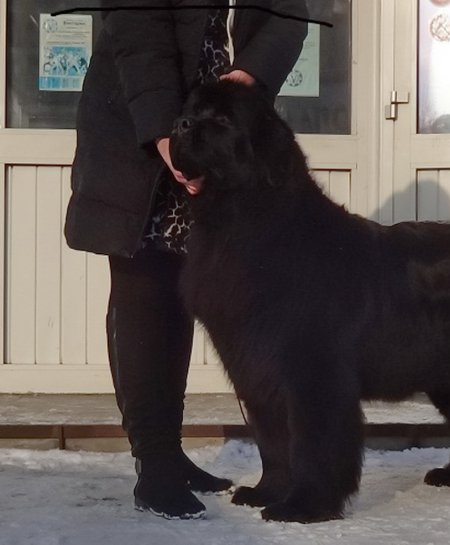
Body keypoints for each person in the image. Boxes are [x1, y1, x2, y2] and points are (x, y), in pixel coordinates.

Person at [64, 0, 308, 520]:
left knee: (214, 292)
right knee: (146, 289)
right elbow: (138, 32)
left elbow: (288, 14)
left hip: (225, 131)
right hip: (141, 123)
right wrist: (164, 137)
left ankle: (226, 459)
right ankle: (155, 464)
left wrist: (250, 77)